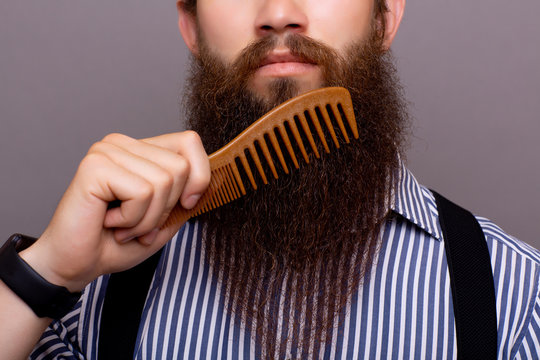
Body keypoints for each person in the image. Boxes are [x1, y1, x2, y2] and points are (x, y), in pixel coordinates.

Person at [0, 0, 538, 358]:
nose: (279, 13)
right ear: (191, 26)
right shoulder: (83, 298)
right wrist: (44, 273)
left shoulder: (516, 299)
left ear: (385, 17)